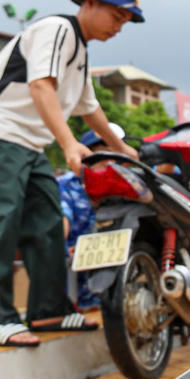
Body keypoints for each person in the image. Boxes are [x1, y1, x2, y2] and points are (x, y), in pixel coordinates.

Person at [0, 0, 141, 347]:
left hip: (27, 141)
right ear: (89, 4)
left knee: (47, 221)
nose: (119, 27)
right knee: (2, 219)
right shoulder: (57, 29)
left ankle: (49, 309)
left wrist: (121, 147)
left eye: (125, 21)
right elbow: (42, 85)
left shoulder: (81, 53)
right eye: (116, 16)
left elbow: (89, 107)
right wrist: (70, 145)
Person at [57, 123, 125, 310]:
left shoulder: (127, 187)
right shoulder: (66, 185)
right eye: (102, 155)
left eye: (115, 156)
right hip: (75, 288)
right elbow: (61, 221)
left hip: (121, 289)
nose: (109, 162)